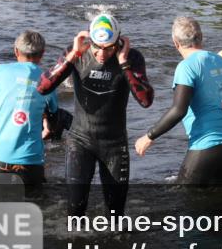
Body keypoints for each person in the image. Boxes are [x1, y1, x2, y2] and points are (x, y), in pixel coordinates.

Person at [38, 13, 154, 216]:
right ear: (89, 40)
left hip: (114, 144)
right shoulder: (77, 53)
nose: (101, 54)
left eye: (108, 48)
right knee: (75, 211)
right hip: (80, 140)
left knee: (116, 215)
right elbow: (42, 88)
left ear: (118, 42)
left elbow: (145, 100)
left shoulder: (132, 58)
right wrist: (72, 55)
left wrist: (124, 64)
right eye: (97, 47)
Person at [135, 17, 222, 184]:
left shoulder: (186, 67)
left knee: (184, 201)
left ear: (175, 42)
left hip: (207, 145)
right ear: (201, 37)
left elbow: (179, 110)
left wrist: (149, 136)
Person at [0, 31, 59, 189]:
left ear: (15, 51)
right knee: (36, 209)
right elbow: (54, 118)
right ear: (43, 54)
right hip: (30, 160)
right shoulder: (48, 79)